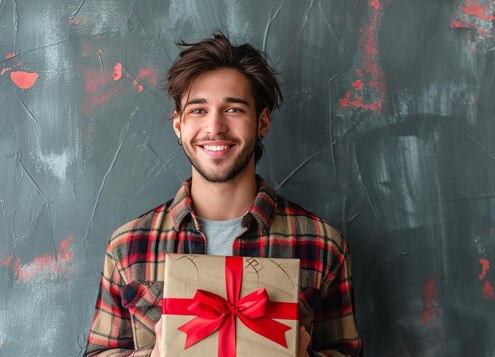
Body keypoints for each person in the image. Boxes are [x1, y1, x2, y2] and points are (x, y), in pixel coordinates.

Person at [85, 32, 362, 356]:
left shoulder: (322, 244)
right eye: (198, 110)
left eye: (233, 110)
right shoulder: (128, 246)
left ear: (262, 122)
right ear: (179, 125)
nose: (215, 127)